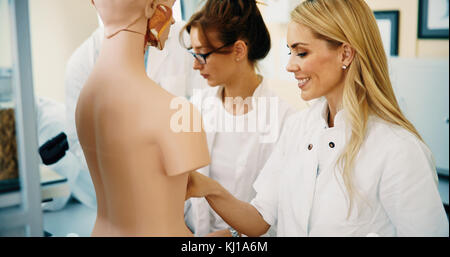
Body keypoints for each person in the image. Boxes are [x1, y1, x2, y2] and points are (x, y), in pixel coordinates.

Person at [186, 0, 449, 236]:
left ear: (345, 54)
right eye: (290, 52)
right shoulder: (298, 128)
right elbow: (260, 219)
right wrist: (210, 189)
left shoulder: (399, 150)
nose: (290, 65)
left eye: (301, 53)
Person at [75, 0, 210, 236]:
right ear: (150, 8)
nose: (173, 20)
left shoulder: (85, 100)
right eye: (170, 6)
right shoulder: (176, 112)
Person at [182, 0, 295, 237]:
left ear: (238, 50)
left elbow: (280, 212)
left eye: (202, 55)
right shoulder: (197, 106)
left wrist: (232, 236)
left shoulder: (286, 120)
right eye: (194, 53)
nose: (195, 65)